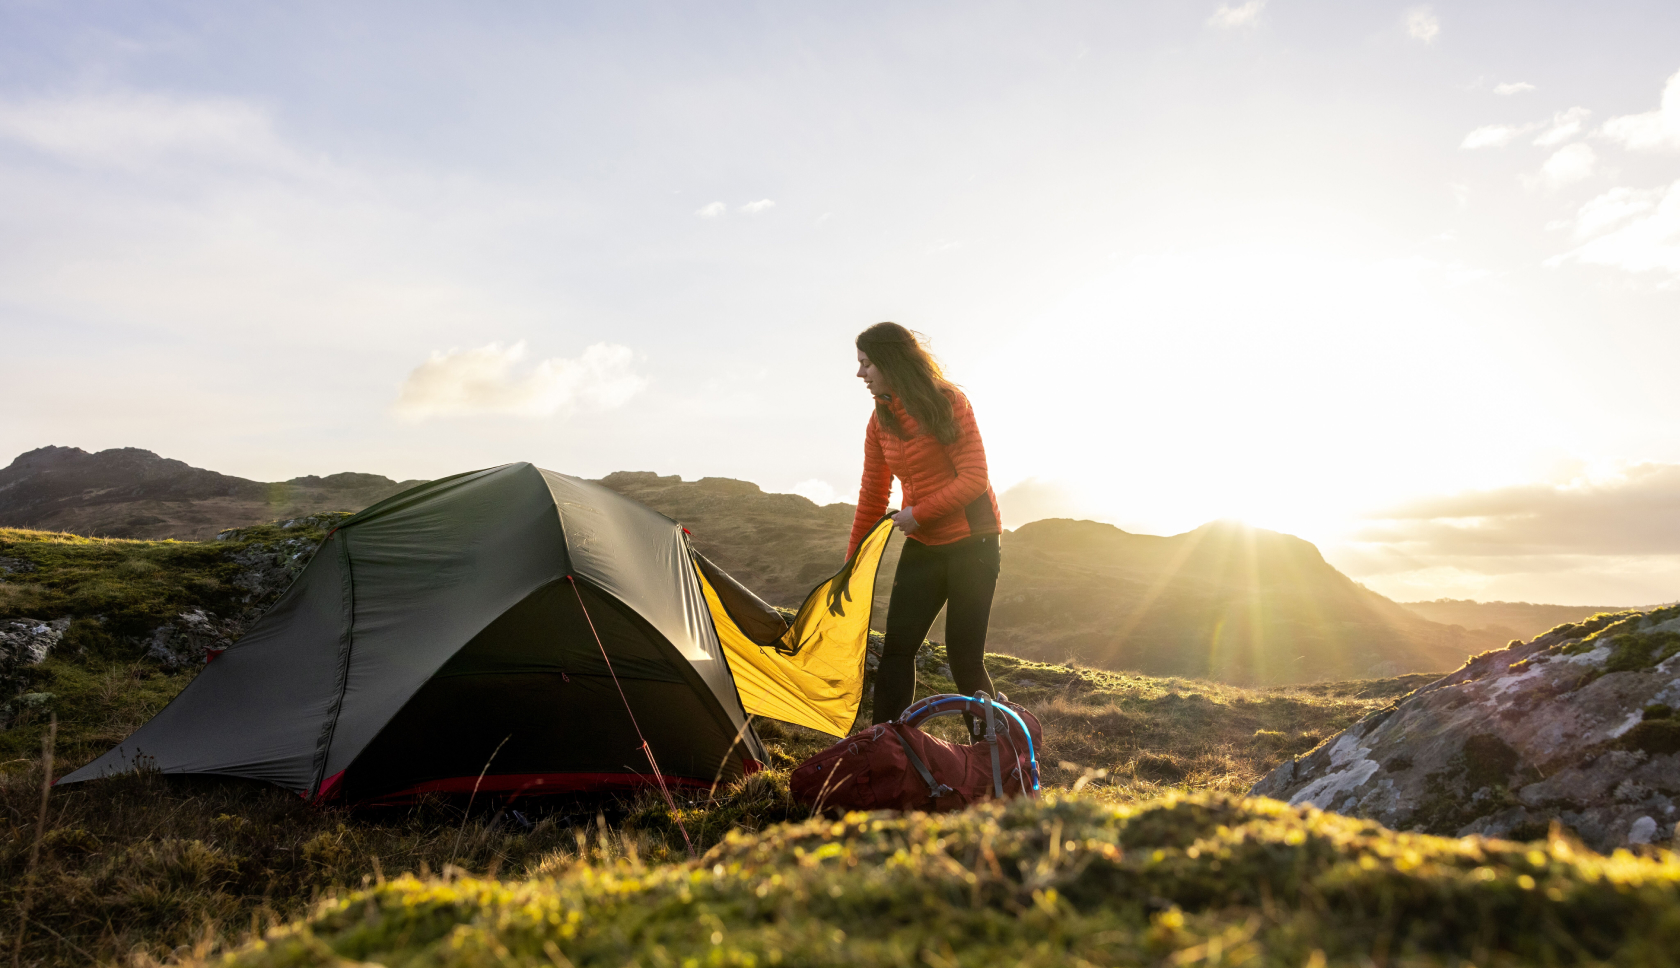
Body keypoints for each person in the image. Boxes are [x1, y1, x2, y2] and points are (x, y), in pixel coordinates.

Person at [848, 322, 1003, 727]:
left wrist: (918, 513)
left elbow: (974, 478)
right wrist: (850, 568)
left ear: (889, 361)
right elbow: (871, 496)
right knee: (897, 650)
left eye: (866, 364)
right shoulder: (880, 420)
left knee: (965, 660)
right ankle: (887, 751)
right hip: (924, 546)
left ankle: (994, 764)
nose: (860, 374)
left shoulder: (948, 401)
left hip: (974, 543)